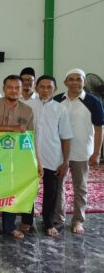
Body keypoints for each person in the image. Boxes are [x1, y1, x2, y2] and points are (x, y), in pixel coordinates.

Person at [0, 74, 38, 241]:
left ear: (22, 90)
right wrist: (12, 128)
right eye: (10, 87)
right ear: (4, 88)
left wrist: (35, 161)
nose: (14, 90)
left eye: (17, 88)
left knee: (12, 191)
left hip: (16, 158)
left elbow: (30, 137)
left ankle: (9, 227)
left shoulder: (27, 110)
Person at [53, 68, 104, 234]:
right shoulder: (57, 100)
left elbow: (99, 128)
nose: (75, 82)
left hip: (82, 152)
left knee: (80, 187)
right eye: (71, 79)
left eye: (78, 79)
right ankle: (58, 219)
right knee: (58, 187)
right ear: (65, 82)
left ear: (84, 82)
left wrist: (96, 153)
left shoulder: (93, 101)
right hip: (58, 153)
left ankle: (78, 221)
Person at [25, 75, 73, 237]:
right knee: (28, 190)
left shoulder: (61, 109)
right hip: (28, 157)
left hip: (53, 156)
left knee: (51, 192)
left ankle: (48, 222)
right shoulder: (27, 105)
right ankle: (26, 221)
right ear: (36, 88)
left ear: (55, 89)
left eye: (49, 87)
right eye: (42, 87)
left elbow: (66, 137)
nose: (45, 90)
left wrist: (65, 161)